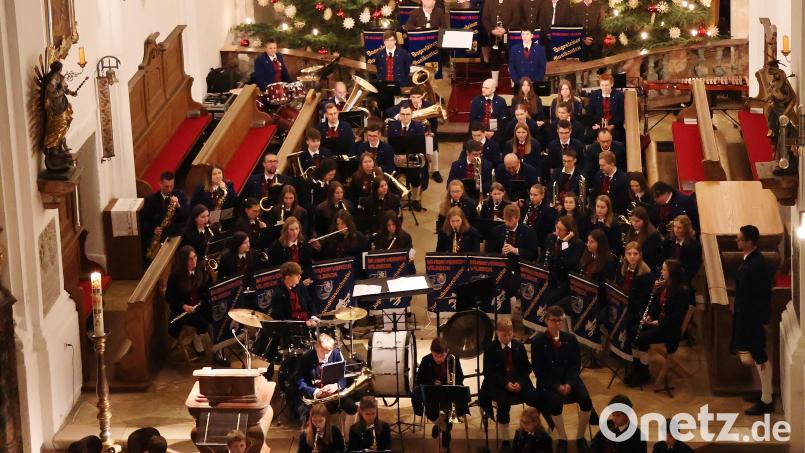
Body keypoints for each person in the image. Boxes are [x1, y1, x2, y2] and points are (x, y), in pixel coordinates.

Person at [532, 305, 594, 453]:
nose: (558, 324)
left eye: (560, 321)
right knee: (555, 403)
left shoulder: (570, 339)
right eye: (554, 321)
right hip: (549, 383)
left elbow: (575, 365)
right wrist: (557, 386)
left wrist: (569, 383)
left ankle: (580, 437)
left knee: (585, 400)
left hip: (569, 380)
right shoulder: (538, 342)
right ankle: (562, 438)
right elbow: (539, 371)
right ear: (546, 321)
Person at [627, 259, 692, 387]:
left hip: (670, 330)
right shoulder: (666, 285)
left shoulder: (682, 291)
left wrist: (658, 322)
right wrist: (650, 316)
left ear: (671, 273)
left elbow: (676, 317)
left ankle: (644, 372)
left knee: (641, 338)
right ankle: (637, 366)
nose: (661, 271)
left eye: (664, 269)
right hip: (660, 324)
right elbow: (657, 304)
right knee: (632, 331)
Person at [480, 318, 541, 451]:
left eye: (510, 334)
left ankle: (531, 432)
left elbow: (526, 368)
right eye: (503, 335)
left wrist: (520, 382)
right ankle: (505, 440)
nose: (507, 338)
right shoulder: (490, 349)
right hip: (499, 384)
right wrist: (505, 383)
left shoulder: (518, 346)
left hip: (518, 382)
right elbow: (489, 373)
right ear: (497, 333)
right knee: (503, 405)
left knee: (536, 398)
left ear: (513, 332)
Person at [733, 224, 775, 415]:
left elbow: (755, 297)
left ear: (750, 242)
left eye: (740, 239)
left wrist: (749, 322)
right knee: (758, 357)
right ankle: (764, 394)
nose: (737, 241)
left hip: (752, 319)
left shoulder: (754, 266)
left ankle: (767, 400)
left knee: (760, 357)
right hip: (752, 318)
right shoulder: (754, 261)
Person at [412, 338, 465, 450]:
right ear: (431, 352)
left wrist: (447, 383)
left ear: (447, 352)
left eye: (442, 356)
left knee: (451, 412)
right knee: (431, 411)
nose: (439, 359)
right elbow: (419, 380)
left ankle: (443, 433)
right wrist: (432, 382)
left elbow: (460, 378)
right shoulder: (426, 360)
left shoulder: (453, 359)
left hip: (448, 393)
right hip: (432, 394)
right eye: (435, 356)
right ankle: (443, 428)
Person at [294, 333, 358, 420]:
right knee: (307, 416)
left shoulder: (336, 353)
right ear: (316, 347)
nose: (324, 356)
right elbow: (299, 382)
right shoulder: (306, 358)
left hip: (333, 394)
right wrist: (316, 392)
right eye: (321, 351)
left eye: (328, 352)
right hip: (315, 396)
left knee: (352, 408)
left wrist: (336, 386)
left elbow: (342, 377)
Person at [165, 245, 209, 355]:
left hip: (198, 307)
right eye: (190, 259)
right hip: (182, 312)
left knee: (214, 315)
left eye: (195, 257)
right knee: (202, 323)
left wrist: (204, 299)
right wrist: (183, 306)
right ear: (184, 260)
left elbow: (204, 289)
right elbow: (169, 297)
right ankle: (197, 343)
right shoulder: (175, 276)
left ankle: (212, 346)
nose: (194, 261)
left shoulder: (199, 270)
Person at [616, 242, 655, 359]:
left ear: (640, 255)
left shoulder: (646, 275)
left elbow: (643, 301)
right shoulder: (622, 269)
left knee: (627, 324)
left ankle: (632, 355)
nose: (632, 257)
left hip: (637, 311)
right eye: (629, 254)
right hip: (623, 306)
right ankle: (618, 349)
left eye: (635, 254)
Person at [387, 101, 427, 211]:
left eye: (407, 114)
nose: (405, 117)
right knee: (390, 173)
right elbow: (390, 147)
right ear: (399, 115)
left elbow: (420, 148)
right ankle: (395, 197)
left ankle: (415, 199)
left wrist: (407, 158)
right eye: (402, 114)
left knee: (415, 175)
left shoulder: (418, 127)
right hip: (397, 159)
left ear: (411, 114)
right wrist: (396, 157)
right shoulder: (392, 127)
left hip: (412, 160)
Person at [141, 171, 189, 254]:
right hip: (158, 238)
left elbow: (187, 216)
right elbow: (143, 221)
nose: (169, 189)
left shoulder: (180, 195)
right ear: (160, 184)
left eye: (171, 186)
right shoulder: (150, 200)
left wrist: (178, 205)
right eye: (166, 187)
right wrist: (153, 229)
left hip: (176, 237)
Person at [542, 216, 584, 307]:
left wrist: (564, 242)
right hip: (550, 277)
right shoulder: (551, 238)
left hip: (564, 281)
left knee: (549, 298)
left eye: (561, 230)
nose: (557, 231)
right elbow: (548, 257)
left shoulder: (577, 244)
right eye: (557, 227)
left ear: (569, 232)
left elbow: (567, 263)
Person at [482, 0, 523, 82]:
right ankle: (494, 83)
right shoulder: (488, 1)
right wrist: (492, 30)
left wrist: (505, 30)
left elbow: (517, 18)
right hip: (494, 35)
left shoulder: (514, 2)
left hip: (509, 36)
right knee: (494, 59)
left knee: (511, 58)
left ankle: (513, 83)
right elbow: (485, 19)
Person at [662, 215, 702, 284]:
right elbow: (664, 257)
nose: (676, 230)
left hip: (683, 280)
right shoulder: (668, 240)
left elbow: (693, 268)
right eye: (674, 226)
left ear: (686, 229)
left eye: (679, 228)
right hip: (667, 276)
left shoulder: (694, 246)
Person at [587, 73, 625, 143]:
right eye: (602, 85)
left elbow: (621, 114)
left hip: (614, 125)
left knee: (616, 135)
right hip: (598, 124)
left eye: (607, 85)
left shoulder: (619, 96)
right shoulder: (594, 96)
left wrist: (613, 125)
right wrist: (597, 124)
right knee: (589, 135)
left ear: (612, 84)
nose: (604, 88)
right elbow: (590, 113)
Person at [591, 150, 630, 216]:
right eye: (600, 165)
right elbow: (594, 194)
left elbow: (623, 202)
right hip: (598, 213)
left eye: (603, 165)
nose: (600, 168)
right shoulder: (599, 175)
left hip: (615, 214)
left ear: (612, 164)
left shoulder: (623, 179)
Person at [625, 206, 664, 272]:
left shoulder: (652, 235)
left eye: (637, 221)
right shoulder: (632, 230)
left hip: (645, 269)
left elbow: (649, 258)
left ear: (645, 221)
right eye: (632, 220)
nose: (634, 223)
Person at [521, 184, 558, 249]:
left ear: (542, 195)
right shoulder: (527, 206)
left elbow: (547, 230)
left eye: (535, 195)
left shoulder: (548, 209)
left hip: (538, 240)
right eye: (531, 194)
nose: (532, 197)